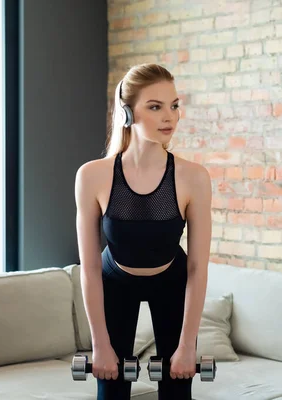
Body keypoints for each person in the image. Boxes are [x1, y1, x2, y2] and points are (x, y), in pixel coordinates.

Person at [74, 63, 212, 400]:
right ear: (126, 113)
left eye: (174, 105)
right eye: (155, 106)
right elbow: (90, 270)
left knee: (178, 392)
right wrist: (100, 346)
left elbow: (197, 268)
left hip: (172, 280)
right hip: (114, 281)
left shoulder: (193, 177)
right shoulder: (93, 175)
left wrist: (186, 347)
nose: (170, 117)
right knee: (111, 391)